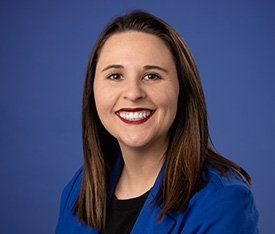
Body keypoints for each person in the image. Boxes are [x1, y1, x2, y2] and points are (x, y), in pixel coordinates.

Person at [55, 10, 259, 234]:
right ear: (92, 91)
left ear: (182, 90)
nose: (133, 93)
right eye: (115, 76)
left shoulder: (224, 202)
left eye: (152, 76)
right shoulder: (79, 189)